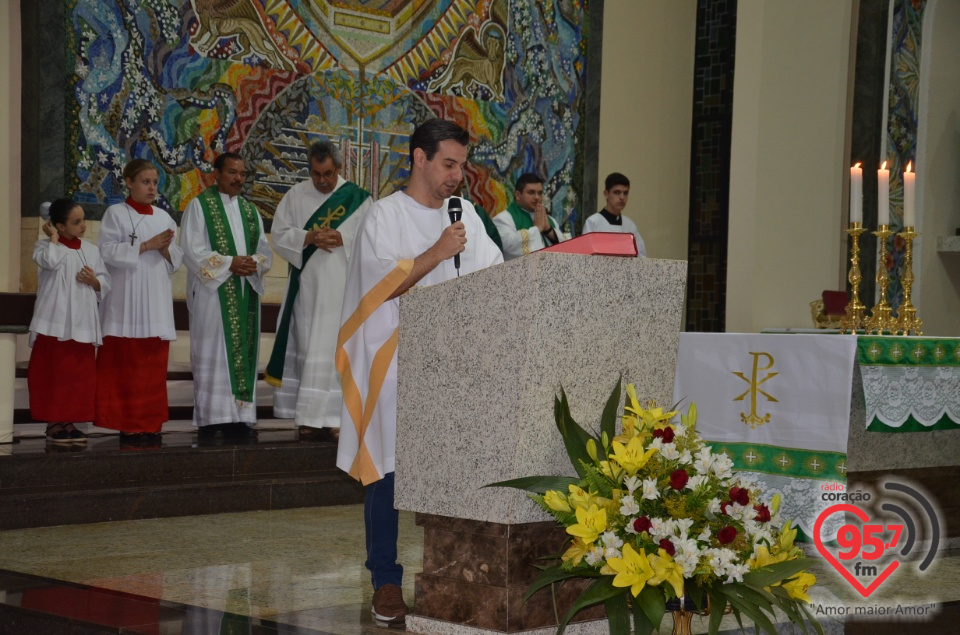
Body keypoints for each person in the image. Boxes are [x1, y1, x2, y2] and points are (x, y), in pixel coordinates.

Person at [336, 119, 503, 627]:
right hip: (396, 363)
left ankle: (458, 576)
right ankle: (385, 581)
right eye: (448, 164)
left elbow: (497, 277)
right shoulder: (383, 216)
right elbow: (377, 287)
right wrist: (437, 252)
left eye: (462, 166)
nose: (457, 176)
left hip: (458, 365)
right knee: (387, 472)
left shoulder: (467, 215)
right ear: (419, 158)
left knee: (459, 473)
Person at [266, 141, 372, 443]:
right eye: (315, 174)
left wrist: (344, 238)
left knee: (339, 351)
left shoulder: (360, 200)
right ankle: (309, 418)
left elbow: (373, 238)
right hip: (308, 292)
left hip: (343, 291)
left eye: (327, 173)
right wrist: (309, 236)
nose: (322, 180)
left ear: (339, 169)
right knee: (311, 346)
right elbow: (281, 236)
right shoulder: (296, 196)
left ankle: (339, 419)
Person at [181, 152, 272, 440]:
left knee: (242, 354)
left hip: (244, 293)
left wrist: (253, 264)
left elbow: (264, 251)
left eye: (243, 174)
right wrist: (229, 263)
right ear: (216, 174)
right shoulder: (199, 207)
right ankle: (211, 419)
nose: (238, 179)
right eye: (232, 173)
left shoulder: (250, 211)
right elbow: (192, 251)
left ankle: (240, 417)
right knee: (213, 353)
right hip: (213, 297)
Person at [96, 159, 182, 447]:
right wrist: (146, 245)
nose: (151, 187)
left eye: (155, 182)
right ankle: (129, 424)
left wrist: (167, 249)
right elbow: (106, 252)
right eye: (145, 182)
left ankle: (150, 423)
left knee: (151, 368)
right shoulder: (115, 214)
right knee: (126, 367)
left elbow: (177, 259)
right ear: (129, 182)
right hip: (125, 300)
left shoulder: (164, 218)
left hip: (155, 301)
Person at [28, 198, 110, 444]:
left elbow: (105, 282)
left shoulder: (92, 250)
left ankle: (71, 421)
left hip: (82, 322)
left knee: (77, 376)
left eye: (83, 219)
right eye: (76, 222)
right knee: (53, 373)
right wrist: (52, 238)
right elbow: (50, 262)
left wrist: (94, 281)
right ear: (59, 226)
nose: (83, 225)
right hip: (54, 321)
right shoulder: (43, 247)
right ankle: (53, 423)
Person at [493, 172, 569, 260]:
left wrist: (549, 230)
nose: (537, 197)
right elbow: (509, 247)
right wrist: (537, 229)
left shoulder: (549, 220)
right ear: (518, 195)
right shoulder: (503, 219)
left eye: (540, 193)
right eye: (531, 192)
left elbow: (567, 249)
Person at [581, 172, 647, 257]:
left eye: (625, 193)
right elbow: (585, 257)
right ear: (606, 194)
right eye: (617, 192)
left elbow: (641, 257)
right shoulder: (593, 223)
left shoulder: (630, 225)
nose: (622, 197)